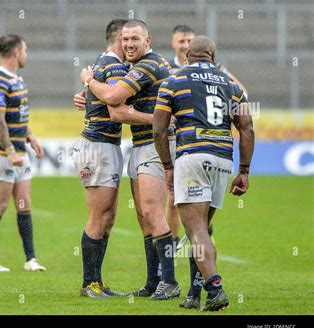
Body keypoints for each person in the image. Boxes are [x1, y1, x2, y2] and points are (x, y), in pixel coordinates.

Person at [80, 19, 180, 301]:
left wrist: (89, 82)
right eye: (125, 40)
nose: (129, 44)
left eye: (135, 39)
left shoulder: (149, 64)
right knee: (142, 217)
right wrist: (89, 96)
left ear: (147, 41)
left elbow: (115, 101)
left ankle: (169, 281)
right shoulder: (132, 67)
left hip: (154, 145)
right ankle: (152, 283)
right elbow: (110, 98)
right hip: (140, 145)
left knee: (151, 213)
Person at [153, 35, 255, 311]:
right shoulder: (232, 86)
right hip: (223, 159)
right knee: (202, 230)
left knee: (195, 229)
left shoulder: (173, 82)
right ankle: (194, 293)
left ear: (188, 56)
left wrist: (167, 167)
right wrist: (244, 170)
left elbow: (159, 129)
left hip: (192, 157)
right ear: (213, 55)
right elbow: (246, 128)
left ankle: (216, 289)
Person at [73, 19, 153, 298]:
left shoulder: (104, 64)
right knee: (100, 216)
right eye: (128, 39)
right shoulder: (114, 65)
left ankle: (96, 282)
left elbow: (101, 96)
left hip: (104, 146)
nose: (132, 45)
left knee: (108, 216)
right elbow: (116, 104)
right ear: (120, 39)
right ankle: (89, 284)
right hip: (97, 147)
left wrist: (86, 90)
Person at [0, 34, 46, 273]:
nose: (26, 54)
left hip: (20, 152)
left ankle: (31, 259)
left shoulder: (17, 79)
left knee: (24, 203)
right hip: (1, 154)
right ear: (17, 52)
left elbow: (15, 116)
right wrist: (9, 151)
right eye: (25, 50)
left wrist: (30, 137)